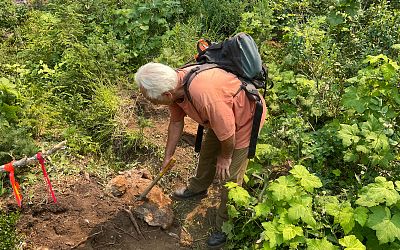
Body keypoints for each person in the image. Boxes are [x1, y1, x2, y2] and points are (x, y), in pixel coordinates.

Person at [135, 62, 266, 249]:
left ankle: (225, 226)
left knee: (230, 177)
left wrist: (225, 157)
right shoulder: (174, 88)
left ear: (166, 95)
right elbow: (175, 122)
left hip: (245, 119)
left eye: (153, 101)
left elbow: (228, 133)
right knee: (207, 155)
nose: (152, 104)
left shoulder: (204, 95)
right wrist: (168, 156)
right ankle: (198, 188)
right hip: (222, 117)